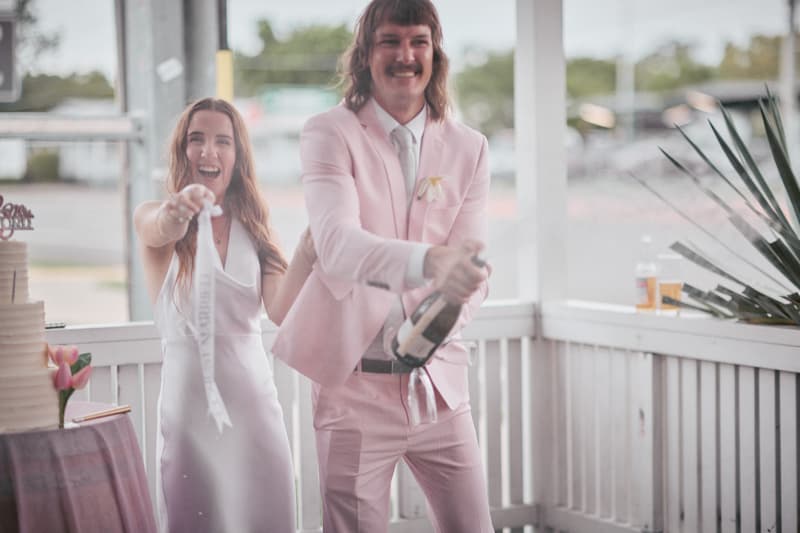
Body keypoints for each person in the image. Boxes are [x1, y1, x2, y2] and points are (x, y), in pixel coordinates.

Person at [272, 0, 494, 531]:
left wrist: (446, 314)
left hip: (440, 391)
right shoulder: (330, 132)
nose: (405, 55)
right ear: (366, 55)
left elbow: (472, 269)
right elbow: (338, 245)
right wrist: (431, 261)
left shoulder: (470, 148)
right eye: (390, 41)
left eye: (418, 41)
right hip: (354, 391)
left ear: (435, 53)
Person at [134, 97, 314, 533]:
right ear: (182, 152)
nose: (208, 152)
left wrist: (311, 247)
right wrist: (179, 208)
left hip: (256, 413)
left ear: (238, 157)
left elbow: (281, 309)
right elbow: (163, 226)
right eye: (196, 140)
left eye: (222, 142)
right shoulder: (153, 219)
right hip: (189, 416)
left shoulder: (256, 231)